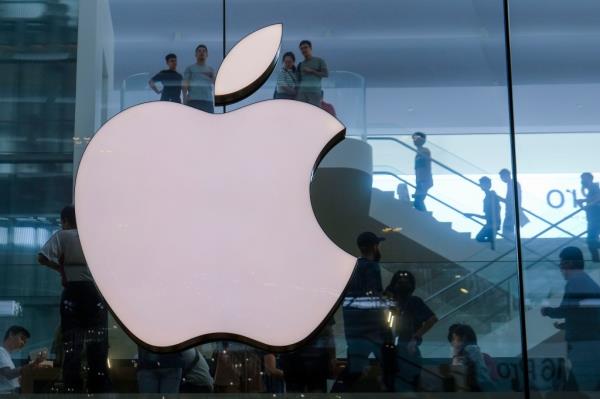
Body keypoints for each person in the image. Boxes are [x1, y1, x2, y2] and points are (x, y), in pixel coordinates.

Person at [37, 205, 110, 393]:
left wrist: (61, 269)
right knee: (98, 343)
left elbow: (42, 257)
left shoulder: (62, 236)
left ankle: (72, 388)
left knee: (72, 343)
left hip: (72, 294)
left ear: (65, 221)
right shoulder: (95, 237)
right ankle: (98, 387)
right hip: (95, 295)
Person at [540, 246, 600, 391]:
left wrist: (547, 310)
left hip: (583, 344)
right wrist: (567, 325)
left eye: (562, 264)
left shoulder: (576, 282)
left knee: (578, 385)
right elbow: (584, 314)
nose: (561, 269)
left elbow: (566, 310)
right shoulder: (587, 282)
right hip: (590, 342)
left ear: (569, 263)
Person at [341, 232, 390, 391]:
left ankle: (339, 393)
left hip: (354, 330)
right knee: (390, 369)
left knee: (354, 371)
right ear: (374, 247)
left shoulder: (352, 267)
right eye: (377, 245)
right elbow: (373, 297)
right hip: (373, 329)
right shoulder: (371, 267)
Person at [384, 271, 437, 391]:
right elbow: (432, 319)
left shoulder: (413, 301)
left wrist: (415, 337)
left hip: (404, 349)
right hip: (400, 349)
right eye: (400, 282)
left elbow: (432, 319)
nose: (402, 285)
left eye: (405, 282)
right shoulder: (392, 302)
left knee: (401, 385)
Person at [447, 324, 496, 391]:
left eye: (455, 339)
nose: (453, 344)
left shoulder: (471, 351)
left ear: (463, 338)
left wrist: (455, 356)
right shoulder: (471, 353)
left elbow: (458, 379)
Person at [0, 326, 44, 394]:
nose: (23, 343)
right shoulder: (1, 351)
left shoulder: (6, 355)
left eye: (25, 342)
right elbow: (8, 374)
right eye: (22, 338)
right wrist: (28, 367)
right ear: (11, 334)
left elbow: (8, 377)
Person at [466, 177, 501, 246]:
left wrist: (472, 214)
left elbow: (490, 215)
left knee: (480, 238)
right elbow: (488, 215)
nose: (481, 186)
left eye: (482, 184)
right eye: (481, 184)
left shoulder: (491, 196)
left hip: (492, 225)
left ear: (488, 185)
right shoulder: (489, 197)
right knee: (484, 240)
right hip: (491, 224)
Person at [183, 44, 215, 113]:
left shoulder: (211, 70)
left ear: (207, 55)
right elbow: (185, 86)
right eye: (199, 51)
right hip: (193, 101)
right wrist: (184, 100)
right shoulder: (190, 68)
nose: (202, 53)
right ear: (196, 54)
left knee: (209, 123)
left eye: (204, 51)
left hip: (208, 101)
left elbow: (217, 85)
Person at [498, 168, 529, 240]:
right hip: (511, 209)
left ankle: (511, 243)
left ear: (507, 175)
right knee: (508, 229)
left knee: (507, 230)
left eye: (502, 177)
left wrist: (502, 199)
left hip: (512, 210)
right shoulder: (512, 183)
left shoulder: (512, 184)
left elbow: (513, 199)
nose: (502, 179)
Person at [296, 40, 328, 106]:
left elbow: (326, 74)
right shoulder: (300, 64)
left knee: (314, 113)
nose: (303, 50)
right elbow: (298, 80)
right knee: (301, 112)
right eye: (301, 49)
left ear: (310, 48)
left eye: (305, 47)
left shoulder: (319, 61)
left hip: (314, 92)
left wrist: (312, 71)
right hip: (302, 92)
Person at [576, 172, 600, 262]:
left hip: (596, 217)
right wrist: (581, 204)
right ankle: (596, 260)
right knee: (591, 240)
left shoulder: (594, 187)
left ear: (590, 179)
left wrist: (583, 200)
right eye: (582, 179)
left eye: (584, 178)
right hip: (592, 218)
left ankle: (596, 260)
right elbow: (587, 208)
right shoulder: (590, 190)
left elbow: (598, 198)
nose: (582, 181)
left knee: (591, 240)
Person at [412, 132, 433, 212]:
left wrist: (422, 182)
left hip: (424, 180)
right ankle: (425, 218)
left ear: (422, 140)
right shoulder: (419, 151)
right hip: (421, 180)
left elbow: (426, 167)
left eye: (417, 138)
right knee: (418, 202)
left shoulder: (424, 151)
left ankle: (426, 218)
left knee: (418, 201)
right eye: (414, 138)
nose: (414, 140)